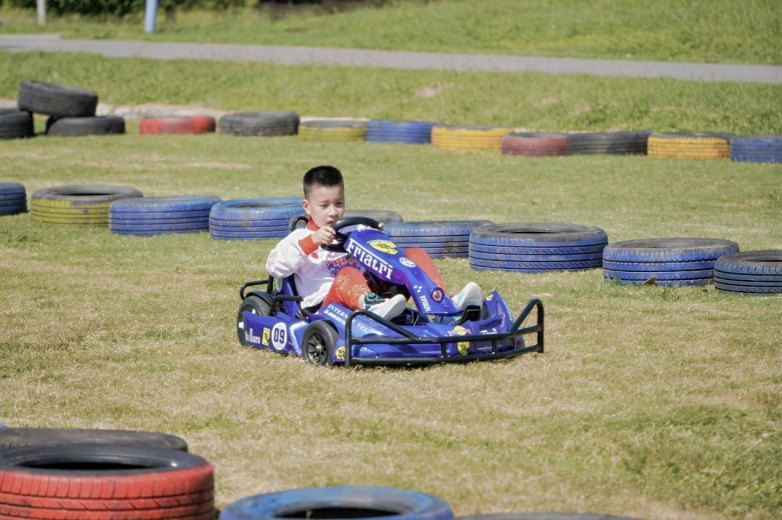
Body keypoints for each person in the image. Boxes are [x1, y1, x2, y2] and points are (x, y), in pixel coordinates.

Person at [266, 165, 482, 319]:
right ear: (307, 206)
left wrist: (375, 238)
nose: (333, 212)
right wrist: (312, 241)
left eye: (339, 203)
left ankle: (442, 303)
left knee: (415, 255)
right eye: (324, 206)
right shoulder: (298, 238)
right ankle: (374, 308)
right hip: (325, 306)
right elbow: (275, 266)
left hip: (371, 292)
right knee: (347, 274)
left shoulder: (353, 230)